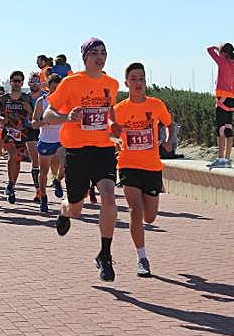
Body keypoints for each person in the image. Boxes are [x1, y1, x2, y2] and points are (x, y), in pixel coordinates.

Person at [43, 37, 120, 282]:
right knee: (76, 208)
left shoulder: (112, 83)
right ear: (85, 57)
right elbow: (48, 114)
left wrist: (113, 125)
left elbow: (110, 111)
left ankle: (105, 255)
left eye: (103, 52)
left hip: (103, 149)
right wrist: (67, 117)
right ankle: (64, 211)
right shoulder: (71, 83)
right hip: (77, 150)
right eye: (94, 53)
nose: (100, 57)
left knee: (109, 197)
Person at [113, 62, 173, 277]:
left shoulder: (156, 105)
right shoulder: (119, 109)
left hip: (152, 167)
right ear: (126, 83)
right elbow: (109, 132)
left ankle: (142, 254)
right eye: (134, 79)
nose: (138, 83)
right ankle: (142, 258)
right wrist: (115, 141)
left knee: (150, 217)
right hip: (128, 165)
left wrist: (168, 141)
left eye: (142, 79)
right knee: (135, 211)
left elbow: (169, 123)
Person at [0, 71, 34, 204]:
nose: (16, 83)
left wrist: (30, 110)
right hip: (8, 132)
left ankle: (12, 185)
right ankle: (10, 184)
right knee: (12, 155)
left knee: (17, 160)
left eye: (19, 81)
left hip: (22, 133)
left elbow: (34, 116)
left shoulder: (27, 98)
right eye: (14, 81)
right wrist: (2, 119)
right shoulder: (3, 99)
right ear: (10, 82)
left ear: (22, 83)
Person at [31, 73, 65, 213]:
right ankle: (43, 197)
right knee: (44, 171)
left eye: (59, 88)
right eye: (53, 88)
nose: (56, 91)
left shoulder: (65, 101)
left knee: (63, 165)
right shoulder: (42, 101)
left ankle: (57, 180)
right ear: (48, 87)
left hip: (61, 139)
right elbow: (34, 123)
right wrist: (44, 122)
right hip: (46, 140)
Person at [206, 43, 234, 168]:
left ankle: (220, 159)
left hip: (222, 98)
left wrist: (217, 49)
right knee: (228, 128)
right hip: (231, 98)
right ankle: (227, 159)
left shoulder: (223, 62)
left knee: (220, 129)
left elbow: (209, 50)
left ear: (224, 53)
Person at [26, 73, 43, 202]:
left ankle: (53, 178)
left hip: (44, 129)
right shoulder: (25, 97)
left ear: (41, 83)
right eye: (32, 81)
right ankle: (38, 191)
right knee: (35, 161)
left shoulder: (45, 97)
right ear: (29, 83)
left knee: (48, 161)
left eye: (37, 81)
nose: (35, 84)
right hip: (30, 129)